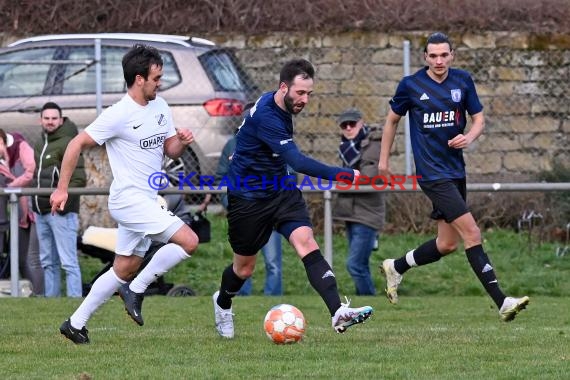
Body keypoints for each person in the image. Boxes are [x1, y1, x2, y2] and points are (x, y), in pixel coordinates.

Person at [212, 58, 373, 339]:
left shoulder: (278, 104)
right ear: (283, 87)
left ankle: (337, 311)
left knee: (306, 241)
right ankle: (222, 303)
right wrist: (343, 174)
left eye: (309, 94)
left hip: (281, 190)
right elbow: (297, 161)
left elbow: (251, 138)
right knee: (244, 268)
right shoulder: (268, 116)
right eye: (300, 93)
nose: (305, 100)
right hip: (248, 197)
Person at [52, 44, 199, 344]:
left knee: (125, 267)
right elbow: (75, 144)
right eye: (156, 78)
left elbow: (169, 149)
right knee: (189, 241)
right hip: (127, 199)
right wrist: (62, 188)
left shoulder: (160, 106)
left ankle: (75, 324)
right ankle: (138, 288)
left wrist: (181, 142)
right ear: (138, 78)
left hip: (145, 200)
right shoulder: (118, 114)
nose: (160, 83)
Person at [378, 32, 529, 322]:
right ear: (425, 57)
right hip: (432, 174)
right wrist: (384, 161)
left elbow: (479, 120)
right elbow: (391, 120)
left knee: (446, 244)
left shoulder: (462, 81)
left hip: (455, 170)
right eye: (433, 55)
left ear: (452, 55)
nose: (438, 60)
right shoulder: (411, 85)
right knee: (472, 233)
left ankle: (396, 266)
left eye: (443, 55)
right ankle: (502, 302)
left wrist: (469, 137)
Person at [201, 132, 284, 296]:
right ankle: (241, 295)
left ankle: (273, 299)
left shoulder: (277, 141)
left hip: (270, 214)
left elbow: (289, 176)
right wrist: (231, 205)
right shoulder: (233, 144)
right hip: (244, 214)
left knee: (273, 262)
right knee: (243, 263)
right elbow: (221, 178)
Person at [32, 102, 86, 298]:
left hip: (62, 213)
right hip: (41, 211)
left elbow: (79, 179)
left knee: (68, 262)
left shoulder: (69, 142)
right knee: (47, 262)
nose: (50, 122)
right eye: (46, 118)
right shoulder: (39, 143)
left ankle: (75, 304)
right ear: (41, 120)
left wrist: (61, 202)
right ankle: (51, 303)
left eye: (54, 118)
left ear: (61, 120)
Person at [332, 108, 385, 296]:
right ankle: (367, 302)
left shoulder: (373, 144)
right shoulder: (346, 146)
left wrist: (341, 178)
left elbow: (369, 176)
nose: (348, 128)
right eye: (343, 125)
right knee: (361, 265)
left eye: (352, 124)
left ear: (361, 123)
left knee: (354, 265)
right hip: (350, 212)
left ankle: (369, 300)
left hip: (367, 213)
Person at [0, 129, 44, 295]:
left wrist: (11, 187)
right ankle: (33, 293)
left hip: (34, 210)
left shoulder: (21, 147)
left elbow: (31, 173)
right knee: (19, 258)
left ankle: (41, 295)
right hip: (20, 215)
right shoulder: (4, 158)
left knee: (34, 258)